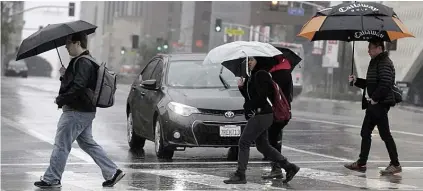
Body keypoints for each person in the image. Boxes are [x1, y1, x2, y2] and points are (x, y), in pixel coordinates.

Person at [34, 33, 125, 188]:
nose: (66, 46)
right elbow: (78, 84)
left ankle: (52, 179)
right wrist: (65, 75)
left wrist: (60, 99)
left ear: (77, 43)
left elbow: (78, 87)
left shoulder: (82, 62)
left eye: (68, 43)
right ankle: (112, 172)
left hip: (76, 111)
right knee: (87, 143)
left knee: (62, 144)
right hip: (85, 110)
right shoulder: (84, 61)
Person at [223, 57, 300, 184]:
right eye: (248, 60)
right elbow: (251, 96)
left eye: (252, 60)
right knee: (263, 146)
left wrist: (249, 106)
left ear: (258, 61)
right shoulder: (253, 75)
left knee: (244, 142)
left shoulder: (262, 74)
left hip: (262, 114)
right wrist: (242, 88)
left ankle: (240, 174)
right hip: (260, 114)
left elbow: (262, 97)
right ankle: (289, 167)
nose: (249, 63)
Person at [345, 38, 402, 175]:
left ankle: (395, 164)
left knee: (384, 134)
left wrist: (375, 99)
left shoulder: (384, 62)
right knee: (366, 132)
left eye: (370, 48)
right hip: (374, 104)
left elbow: (385, 83)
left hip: (380, 104)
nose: (368, 51)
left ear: (379, 48)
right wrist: (356, 81)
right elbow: (371, 83)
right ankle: (362, 162)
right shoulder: (376, 62)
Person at [262, 55, 294, 179]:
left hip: (275, 112)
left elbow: (269, 93)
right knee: (275, 140)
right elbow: (290, 94)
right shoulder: (287, 73)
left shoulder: (275, 75)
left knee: (272, 142)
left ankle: (279, 168)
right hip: (284, 112)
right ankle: (278, 168)